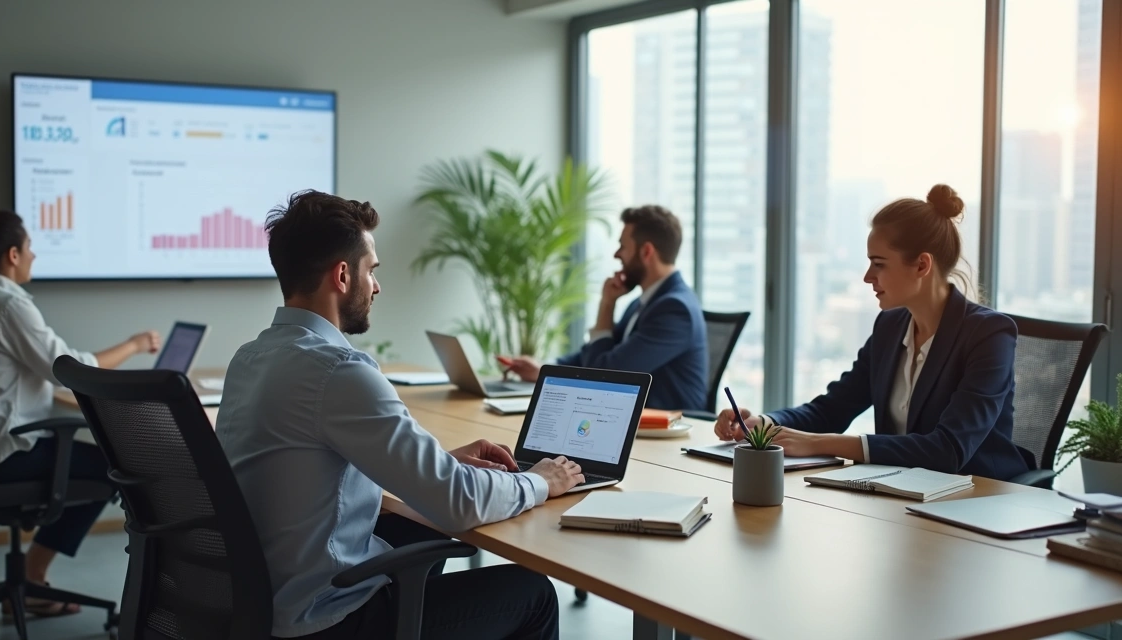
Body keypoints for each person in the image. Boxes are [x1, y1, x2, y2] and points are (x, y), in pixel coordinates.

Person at [215, 190, 582, 639]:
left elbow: (310, 466)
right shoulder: (337, 370)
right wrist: (542, 480)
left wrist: (440, 464)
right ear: (343, 275)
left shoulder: (251, 357)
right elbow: (458, 503)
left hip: (259, 604)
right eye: (372, 270)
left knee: (427, 532)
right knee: (533, 593)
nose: (377, 286)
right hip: (323, 619)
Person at [714, 185, 1032, 481]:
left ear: (922, 265)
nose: (868, 277)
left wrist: (817, 443)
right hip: (902, 493)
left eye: (879, 264)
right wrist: (764, 424)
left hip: (980, 498)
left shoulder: (989, 334)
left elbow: (948, 449)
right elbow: (832, 409)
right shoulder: (890, 327)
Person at [0, 199, 160, 616]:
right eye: (29, 247)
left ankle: (32, 577)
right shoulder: (8, 304)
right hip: (5, 455)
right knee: (119, 467)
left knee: (102, 459)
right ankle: (34, 577)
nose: (34, 255)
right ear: (12, 255)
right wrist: (134, 345)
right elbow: (69, 368)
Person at [500, 205, 708, 411]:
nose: (617, 255)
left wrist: (606, 305)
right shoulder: (644, 303)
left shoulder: (674, 309)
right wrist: (543, 369)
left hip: (670, 426)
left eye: (622, 246)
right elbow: (595, 357)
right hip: (630, 419)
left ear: (646, 251)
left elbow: (604, 376)